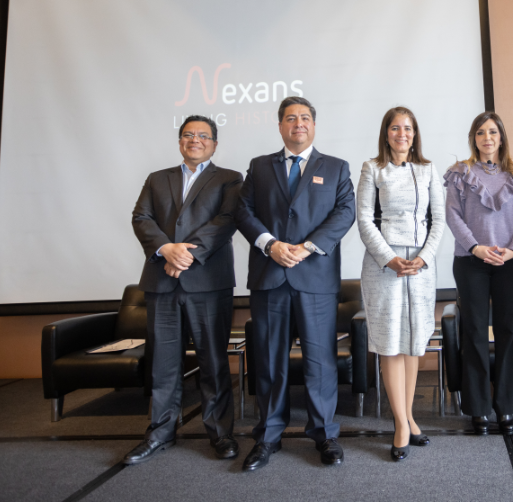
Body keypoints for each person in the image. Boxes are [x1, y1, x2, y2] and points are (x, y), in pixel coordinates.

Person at [236, 97, 355, 470]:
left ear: (314, 126)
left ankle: (325, 434)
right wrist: (270, 245)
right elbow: (243, 211)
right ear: (280, 125)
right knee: (270, 362)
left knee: (320, 361)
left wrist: (307, 247)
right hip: (270, 276)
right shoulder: (259, 167)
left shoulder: (335, 167)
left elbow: (345, 211)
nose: (298, 124)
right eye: (291, 118)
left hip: (315, 278)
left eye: (304, 118)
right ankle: (269, 435)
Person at [126, 115, 243, 465]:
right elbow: (141, 218)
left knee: (213, 361)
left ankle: (220, 434)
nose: (196, 140)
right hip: (162, 283)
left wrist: (184, 254)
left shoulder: (230, 178)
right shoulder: (157, 178)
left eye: (203, 135)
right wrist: (166, 249)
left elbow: (226, 221)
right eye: (189, 134)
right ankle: (160, 433)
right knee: (162, 363)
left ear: (214, 144)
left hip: (208, 283)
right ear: (180, 141)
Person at [356, 107, 444, 461]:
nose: (402, 133)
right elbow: (364, 219)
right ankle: (401, 424)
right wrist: (389, 258)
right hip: (384, 266)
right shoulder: (372, 168)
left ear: (415, 133)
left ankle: (408, 416)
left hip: (421, 266)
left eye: (408, 128)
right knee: (390, 342)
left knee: (413, 343)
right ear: (386, 133)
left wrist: (424, 257)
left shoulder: (427, 169)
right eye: (395, 128)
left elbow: (437, 219)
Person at [443, 111, 513, 435]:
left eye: (492, 132)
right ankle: (479, 408)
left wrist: (511, 250)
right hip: (471, 262)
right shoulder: (459, 173)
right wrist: (476, 248)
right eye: (481, 133)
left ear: (501, 137)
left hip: (509, 262)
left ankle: (506, 406)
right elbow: (453, 216)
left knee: (509, 331)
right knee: (475, 332)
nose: (487, 138)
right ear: (474, 138)